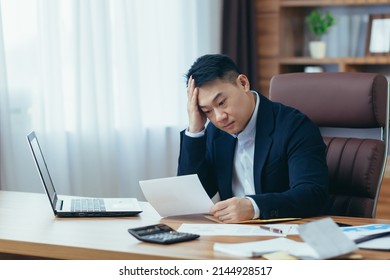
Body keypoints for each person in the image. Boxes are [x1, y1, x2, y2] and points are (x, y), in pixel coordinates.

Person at [177, 54, 329, 223]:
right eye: (207, 111)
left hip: (286, 234)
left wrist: (254, 207)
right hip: (233, 237)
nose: (219, 117)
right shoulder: (215, 133)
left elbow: (313, 193)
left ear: (243, 83)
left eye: (221, 102)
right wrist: (195, 130)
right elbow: (190, 197)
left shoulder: (294, 126)